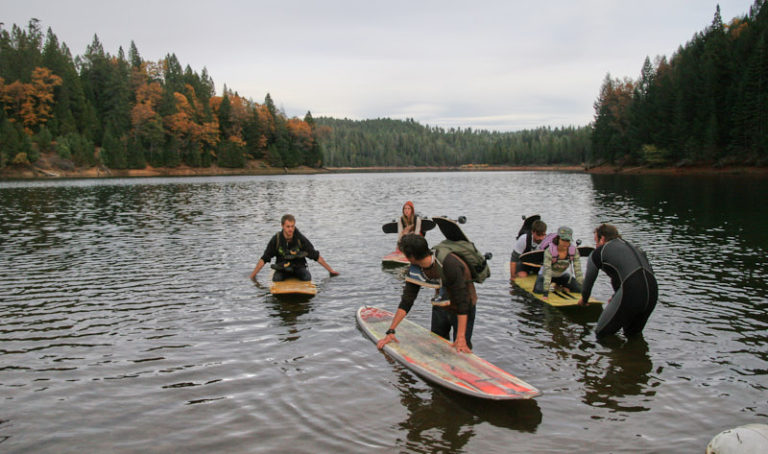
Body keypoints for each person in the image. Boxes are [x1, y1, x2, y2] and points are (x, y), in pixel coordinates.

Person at [377, 233, 477, 353]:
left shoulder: (449, 264)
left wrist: (461, 338)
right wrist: (391, 330)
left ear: (411, 256)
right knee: (437, 347)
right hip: (441, 306)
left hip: (464, 308)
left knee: (462, 347)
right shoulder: (416, 267)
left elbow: (462, 302)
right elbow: (407, 300)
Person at [577, 224, 658, 338]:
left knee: (601, 334)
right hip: (653, 292)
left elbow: (588, 282)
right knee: (633, 336)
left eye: (596, 241)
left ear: (603, 238)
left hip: (631, 291)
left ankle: (609, 354)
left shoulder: (600, 251)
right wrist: (617, 295)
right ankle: (632, 354)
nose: (596, 245)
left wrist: (584, 300)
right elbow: (631, 275)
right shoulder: (635, 248)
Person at [249, 214, 339, 281]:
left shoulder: (300, 239)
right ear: (282, 226)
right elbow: (264, 258)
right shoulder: (276, 240)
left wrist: (330, 270)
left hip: (298, 267)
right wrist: (253, 275)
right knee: (276, 279)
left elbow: (315, 255)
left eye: (292, 226)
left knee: (307, 277)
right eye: (288, 227)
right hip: (282, 268)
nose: (290, 229)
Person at [533, 226, 583, 299]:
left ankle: (558, 285)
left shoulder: (574, 251)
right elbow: (547, 271)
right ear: (558, 239)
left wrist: (582, 290)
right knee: (538, 291)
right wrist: (546, 294)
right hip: (545, 276)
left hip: (562, 275)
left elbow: (578, 270)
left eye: (568, 240)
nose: (566, 243)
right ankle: (553, 285)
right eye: (563, 240)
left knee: (578, 289)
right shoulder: (549, 251)